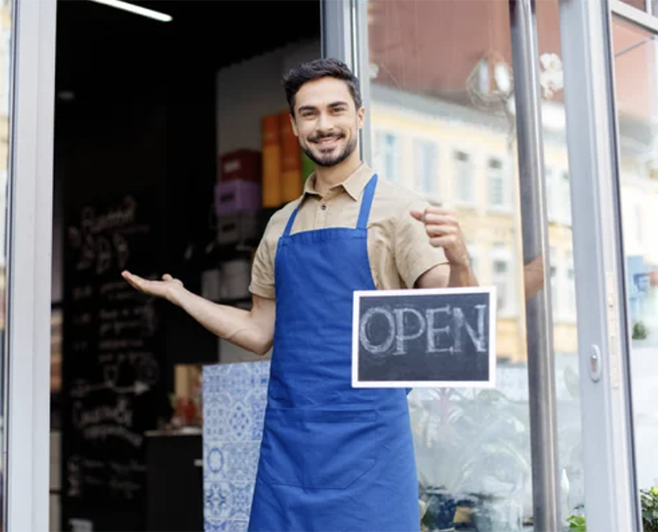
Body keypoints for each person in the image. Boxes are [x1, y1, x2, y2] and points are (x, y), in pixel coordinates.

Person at [123, 57, 477, 531]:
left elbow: (455, 325)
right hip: (291, 445)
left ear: (359, 116)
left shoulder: (401, 210)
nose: (324, 124)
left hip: (370, 447)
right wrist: (183, 296)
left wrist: (460, 258)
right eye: (309, 114)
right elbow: (257, 330)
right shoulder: (280, 224)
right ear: (294, 125)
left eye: (336, 110)